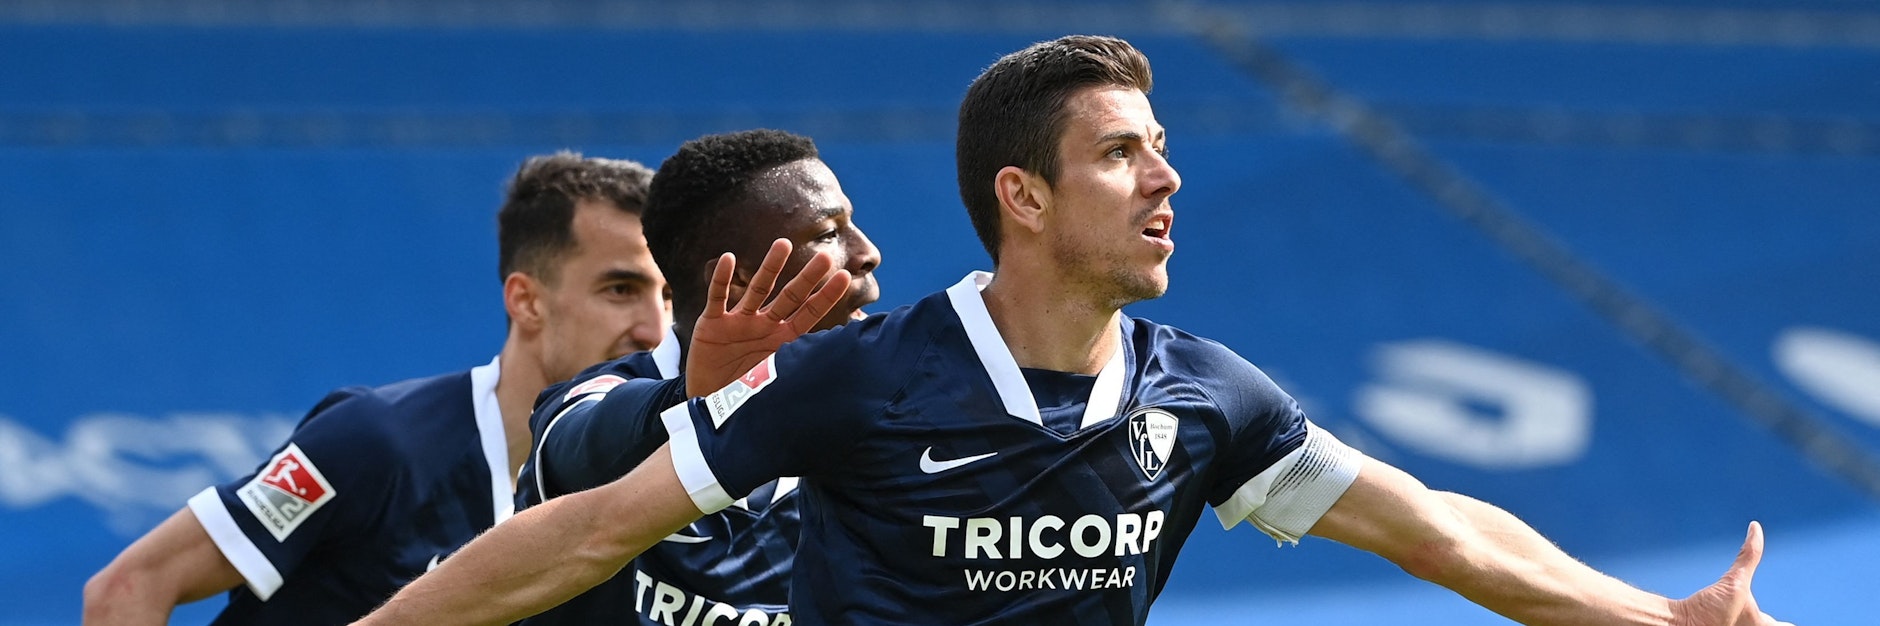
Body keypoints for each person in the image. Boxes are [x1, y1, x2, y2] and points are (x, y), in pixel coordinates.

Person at [359, 36, 1790, 626]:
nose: (1167, 179)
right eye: (1123, 155)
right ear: (1023, 197)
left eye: (1163, 149)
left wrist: (1656, 615)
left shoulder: (1203, 398)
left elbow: (1438, 532)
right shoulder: (867, 380)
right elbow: (593, 524)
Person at [82, 152, 671, 625]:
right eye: (620, 289)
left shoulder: (654, 489)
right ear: (527, 300)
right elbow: (131, 587)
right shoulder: (379, 443)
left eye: (670, 297)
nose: (655, 329)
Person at [513, 129, 881, 625]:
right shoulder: (594, 399)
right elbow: (582, 448)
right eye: (828, 233)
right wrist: (699, 401)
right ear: (740, 282)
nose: (867, 253)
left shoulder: (867, 438)